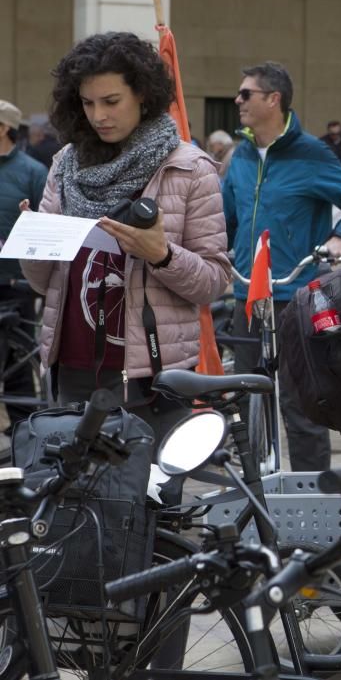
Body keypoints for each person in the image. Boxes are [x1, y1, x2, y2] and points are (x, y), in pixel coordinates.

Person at [18, 31, 230, 456]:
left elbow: (214, 282)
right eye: (88, 102)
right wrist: (35, 240)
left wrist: (162, 255)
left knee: (146, 508)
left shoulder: (189, 169)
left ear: (144, 96)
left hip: (151, 377)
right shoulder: (64, 164)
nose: (98, 115)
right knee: (76, 508)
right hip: (72, 367)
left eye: (111, 101)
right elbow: (44, 284)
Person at [223, 61, 341, 472]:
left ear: (273, 99)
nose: (238, 100)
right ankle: (254, 498)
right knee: (245, 406)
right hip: (247, 299)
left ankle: (311, 499)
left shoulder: (311, 154)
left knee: (301, 407)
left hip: (295, 301)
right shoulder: (241, 156)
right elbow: (225, 219)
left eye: (246, 94)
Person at [0, 99, 47, 432]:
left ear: (4, 128)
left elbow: (45, 227)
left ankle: (22, 437)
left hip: (16, 284)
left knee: (17, 368)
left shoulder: (33, 172)